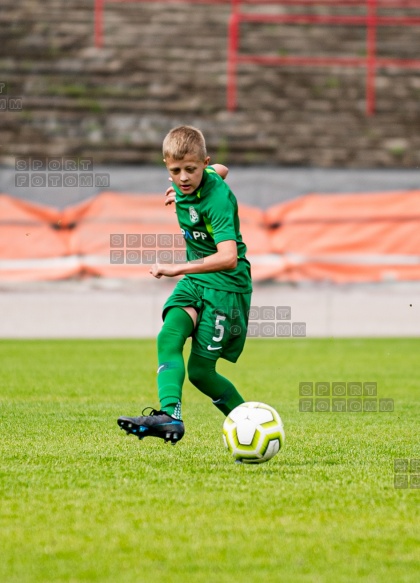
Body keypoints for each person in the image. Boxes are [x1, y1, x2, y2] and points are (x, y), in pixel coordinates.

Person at [117, 125, 252, 444]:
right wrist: (187, 184)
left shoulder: (215, 201)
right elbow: (222, 168)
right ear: (167, 165)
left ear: (202, 163)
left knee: (202, 374)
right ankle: (169, 416)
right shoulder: (190, 181)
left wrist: (178, 267)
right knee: (169, 335)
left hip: (226, 287)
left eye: (191, 170)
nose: (183, 178)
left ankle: (250, 421)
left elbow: (229, 257)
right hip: (196, 282)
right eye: (176, 171)